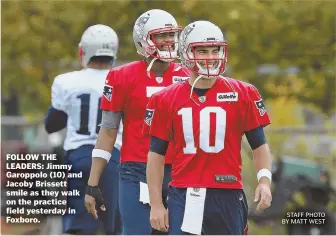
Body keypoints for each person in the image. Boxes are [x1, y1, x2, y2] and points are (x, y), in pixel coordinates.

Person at [145, 20, 273, 235]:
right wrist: (156, 204)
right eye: (202, 51)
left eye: (215, 50)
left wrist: (264, 181)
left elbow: (259, 145)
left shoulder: (243, 93)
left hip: (228, 192)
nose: (211, 57)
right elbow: (156, 155)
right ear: (186, 53)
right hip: (184, 193)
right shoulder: (165, 98)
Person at [84, 9, 190, 235]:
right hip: (137, 169)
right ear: (144, 39)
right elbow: (108, 131)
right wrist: (93, 182)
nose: (169, 41)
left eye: (172, 35)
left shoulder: (188, 76)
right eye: (162, 35)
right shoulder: (122, 76)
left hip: (180, 170)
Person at [45, 24, 122, 235]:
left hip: (79, 156)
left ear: (84, 51)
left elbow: (52, 125)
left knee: (79, 227)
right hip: (112, 156)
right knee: (115, 226)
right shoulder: (123, 80)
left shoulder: (67, 81)